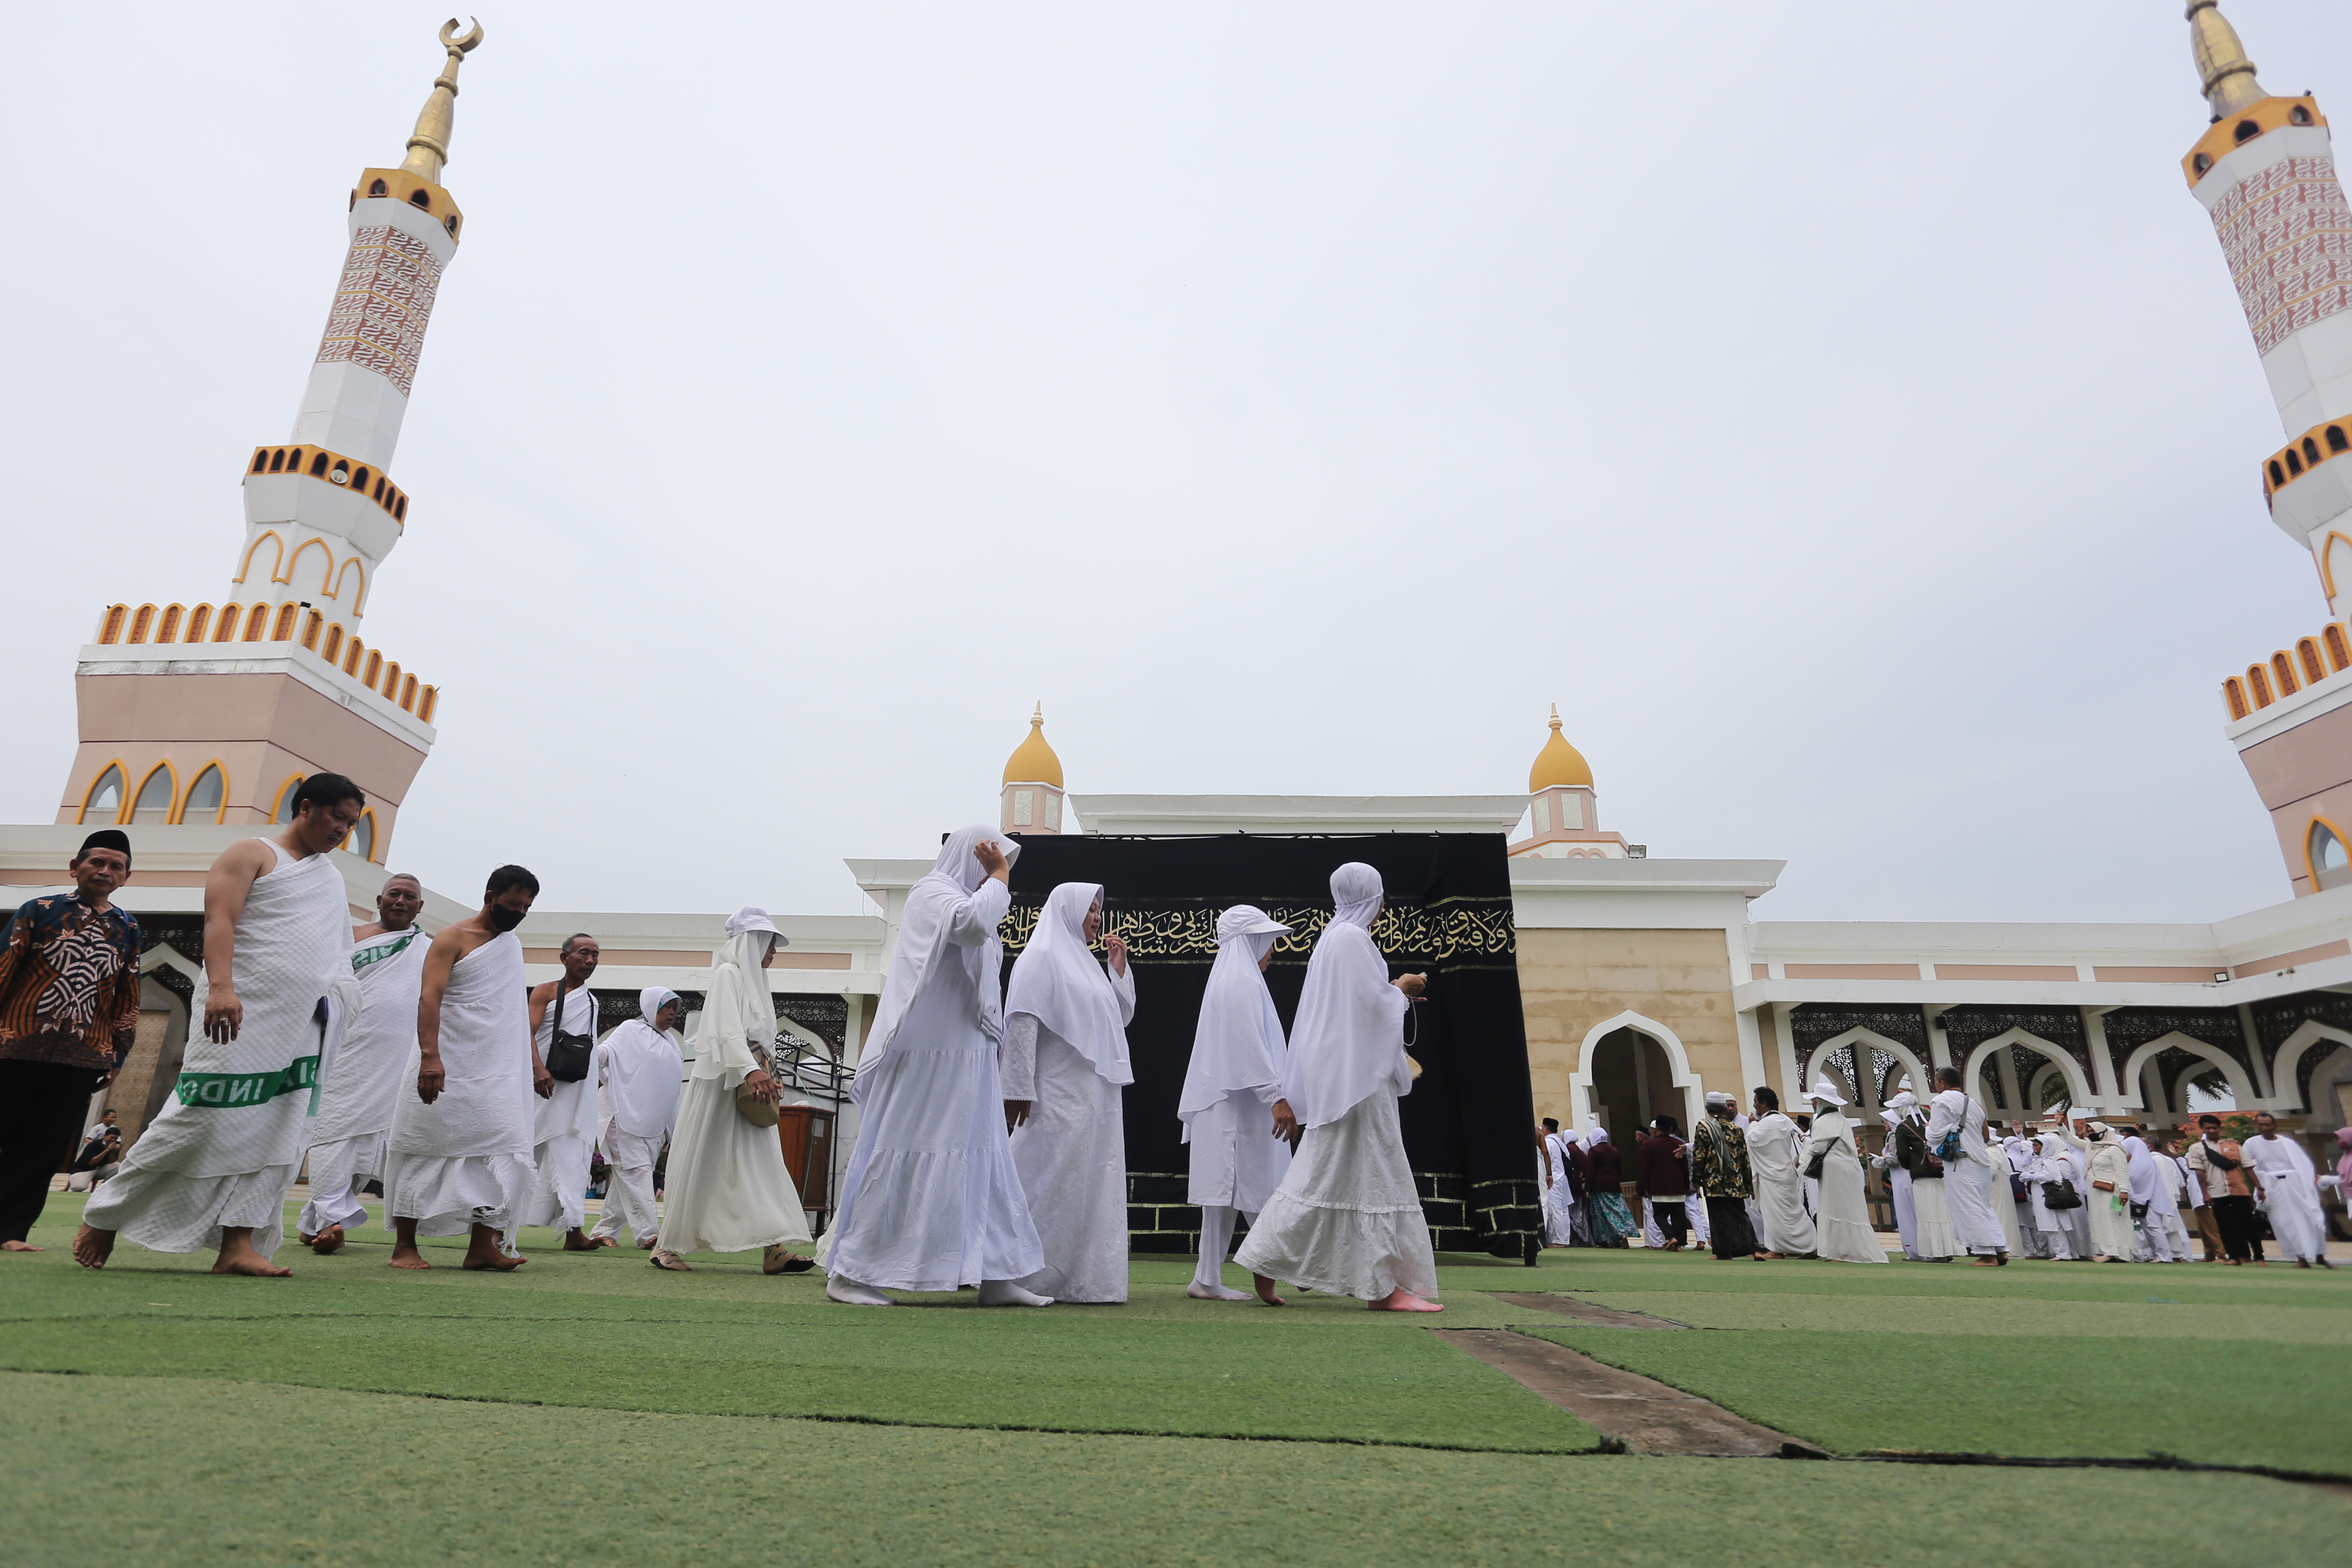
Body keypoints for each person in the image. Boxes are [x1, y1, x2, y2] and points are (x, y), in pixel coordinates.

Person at [76, 781, 366, 1275]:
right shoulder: (251, 853)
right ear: (306, 807)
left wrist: (337, 1001)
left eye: (352, 823)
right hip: (238, 1013)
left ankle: (239, 1243)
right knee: (198, 1114)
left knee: (279, 1130)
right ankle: (106, 1214)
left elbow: (339, 952)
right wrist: (222, 988)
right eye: (337, 817)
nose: (343, 829)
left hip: (303, 1023)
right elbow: (220, 921)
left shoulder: (330, 878)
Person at [824, 830, 1045, 1306]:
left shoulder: (974, 897)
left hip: (969, 1053)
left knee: (984, 1157)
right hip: (928, 1054)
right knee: (907, 1147)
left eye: (1003, 861)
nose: (998, 868)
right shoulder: (933, 893)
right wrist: (1000, 878)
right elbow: (969, 926)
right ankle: (850, 1271)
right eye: (991, 858)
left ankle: (995, 1273)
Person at [1234, 862, 1439, 1312]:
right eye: (1381, 894)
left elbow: (1350, 1007)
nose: (1385, 903)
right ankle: (1383, 1290)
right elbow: (1368, 1006)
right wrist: (1401, 990)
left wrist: (1391, 993)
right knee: (1377, 1177)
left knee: (1324, 1173)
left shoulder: (1334, 937)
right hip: (1359, 1086)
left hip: (1346, 1079)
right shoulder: (1352, 939)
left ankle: (1268, 1259)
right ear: (1372, 895)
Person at [384, 865, 547, 1272]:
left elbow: (509, 1014)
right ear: (490, 895)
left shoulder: (511, 945)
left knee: (495, 1152)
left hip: (494, 1072)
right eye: (513, 904)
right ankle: (405, 1247)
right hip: (446, 1062)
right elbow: (429, 998)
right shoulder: (452, 938)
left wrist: (527, 1067)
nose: (519, 912)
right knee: (426, 1147)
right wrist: (429, 1057)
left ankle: (482, 1247)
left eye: (526, 907)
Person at [0, 831, 141, 1253]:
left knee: (43, 1148)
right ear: (74, 867)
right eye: (97, 862)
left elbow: (128, 992)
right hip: (15, 1046)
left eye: (116, 866)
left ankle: (11, 1232)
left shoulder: (128, 926)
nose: (105, 871)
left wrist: (118, 1052)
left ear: (126, 876)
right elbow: (5, 967)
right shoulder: (39, 910)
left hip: (81, 1058)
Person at [654, 908, 813, 1275]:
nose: (773, 952)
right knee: (703, 1161)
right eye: (769, 944)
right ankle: (666, 1246)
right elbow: (727, 1031)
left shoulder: (755, 983)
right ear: (750, 943)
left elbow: (760, 1038)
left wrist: (767, 1074)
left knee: (765, 1162)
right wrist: (752, 1070)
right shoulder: (729, 974)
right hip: (722, 1088)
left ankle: (775, 1249)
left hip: (750, 1085)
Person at [1002, 882, 1136, 1304]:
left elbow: (1110, 1022)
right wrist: (1017, 1085)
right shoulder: (1041, 956)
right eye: (1090, 909)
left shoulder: (1083, 962)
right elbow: (1022, 1020)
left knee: (1084, 1185)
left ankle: (1079, 1279)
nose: (1097, 917)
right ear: (1067, 911)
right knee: (1042, 1178)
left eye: (1099, 909)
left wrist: (1117, 969)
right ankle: (1014, 1273)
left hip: (1092, 1099)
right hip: (1056, 1093)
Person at [298, 872, 427, 1252]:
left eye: (410, 897)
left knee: (368, 1141)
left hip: (395, 1059)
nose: (401, 901)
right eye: (394, 894)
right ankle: (331, 1218)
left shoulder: (426, 947)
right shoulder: (350, 936)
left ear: (420, 907)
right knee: (331, 1131)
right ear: (380, 899)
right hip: (344, 1048)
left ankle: (315, 1221)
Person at [1178, 906, 1293, 1299]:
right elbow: (1249, 1050)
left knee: (1225, 1194)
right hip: (1235, 1107)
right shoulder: (1241, 981)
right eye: (1267, 939)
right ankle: (1287, 1264)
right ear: (1250, 941)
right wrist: (1276, 1098)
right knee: (1253, 1188)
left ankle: (1208, 1277)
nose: (1272, 949)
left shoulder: (1232, 978)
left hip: (1228, 1104)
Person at [517, 933, 604, 1251]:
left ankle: (573, 1230)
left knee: (573, 1156)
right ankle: (497, 1226)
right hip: (543, 1087)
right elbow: (526, 1031)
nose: (590, 961)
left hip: (576, 1093)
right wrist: (538, 1069)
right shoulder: (545, 992)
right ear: (564, 957)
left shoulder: (592, 1001)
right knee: (524, 1150)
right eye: (584, 953)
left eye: (595, 955)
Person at [586, 988, 684, 1251]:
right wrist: (588, 1049)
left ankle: (604, 1232)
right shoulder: (629, 1030)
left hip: (653, 1125)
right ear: (651, 1007)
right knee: (636, 1173)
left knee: (628, 1177)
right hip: (621, 1116)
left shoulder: (671, 1042)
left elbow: (671, 1089)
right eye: (666, 1007)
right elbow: (606, 1053)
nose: (672, 1013)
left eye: (675, 1007)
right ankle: (650, 1234)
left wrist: (670, 1130)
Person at [1926, 1066, 2005, 1266]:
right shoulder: (1975, 1104)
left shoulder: (1941, 1101)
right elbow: (1986, 1136)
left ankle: (1987, 1255)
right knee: (1984, 1206)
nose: (1935, 1086)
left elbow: (1935, 1134)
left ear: (1942, 1083)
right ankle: (2000, 1250)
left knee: (1969, 1207)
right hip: (1981, 1162)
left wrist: (1929, 1131)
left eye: (1936, 1082)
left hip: (1963, 1162)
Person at [1802, 1078, 1886, 1263]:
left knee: (1836, 1207)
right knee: (1847, 1207)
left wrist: (1801, 1159)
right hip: (1847, 1168)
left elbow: (1817, 1148)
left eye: (1815, 1099)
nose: (1813, 1103)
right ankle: (1843, 1250)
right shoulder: (1841, 1120)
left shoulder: (1824, 1120)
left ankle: (1841, 1252)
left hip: (1835, 1169)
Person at [2242, 1111, 2333, 1268]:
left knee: (2309, 1219)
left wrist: (2309, 1186)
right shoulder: (2251, 1143)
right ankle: (2301, 1259)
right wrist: (2259, 1187)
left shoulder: (2288, 1143)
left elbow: (2305, 1166)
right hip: (2271, 1187)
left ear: (2275, 1126)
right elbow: (2246, 1166)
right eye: (2260, 1124)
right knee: (2284, 1223)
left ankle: (2320, 1256)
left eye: (2267, 1124)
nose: (2264, 1128)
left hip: (2296, 1186)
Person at [1692, 1091, 1764, 1260]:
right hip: (1735, 1181)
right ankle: (1753, 1250)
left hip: (1714, 1181)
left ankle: (1723, 1253)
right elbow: (1744, 1158)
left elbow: (1699, 1155)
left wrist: (1696, 1179)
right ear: (1725, 1108)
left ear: (1708, 1109)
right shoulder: (1736, 1129)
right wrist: (1748, 1184)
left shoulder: (1704, 1127)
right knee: (1740, 1215)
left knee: (1718, 1217)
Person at [1745, 1087, 1816, 1259]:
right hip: (1780, 1174)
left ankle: (1810, 1245)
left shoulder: (1770, 1122)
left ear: (1764, 1104)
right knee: (1778, 1213)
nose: (1754, 1105)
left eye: (1756, 1102)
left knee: (1786, 1213)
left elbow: (1752, 1139)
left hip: (1775, 1175)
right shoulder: (1782, 1120)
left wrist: (1753, 1122)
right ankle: (1778, 1248)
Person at [2185, 1115, 2260, 1264]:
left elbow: (2248, 1167)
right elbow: (2200, 1173)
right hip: (2216, 1191)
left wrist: (2259, 1187)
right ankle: (2233, 1257)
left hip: (2239, 1190)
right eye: (2208, 1128)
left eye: (2215, 1128)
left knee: (2247, 1224)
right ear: (2203, 1129)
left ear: (2220, 1128)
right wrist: (2205, 1193)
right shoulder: (2196, 1148)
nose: (2212, 1130)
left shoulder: (2233, 1146)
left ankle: (2257, 1257)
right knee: (2225, 1226)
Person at [1870, 1092, 1920, 1260]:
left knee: (1906, 1213)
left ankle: (1914, 1249)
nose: (1885, 1124)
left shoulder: (1894, 1135)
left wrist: (1878, 1161)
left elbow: (1894, 1159)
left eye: (1887, 1120)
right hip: (1907, 1176)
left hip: (1901, 1178)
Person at [2082, 1122, 2136, 1263]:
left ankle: (2118, 1253)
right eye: (2088, 1131)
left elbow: (2122, 1172)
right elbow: (2071, 1140)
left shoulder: (2114, 1149)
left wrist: (2124, 1191)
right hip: (2097, 1192)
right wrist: (2061, 1126)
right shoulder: (2092, 1147)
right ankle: (2106, 1251)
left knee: (2114, 1218)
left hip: (2115, 1192)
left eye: (2093, 1131)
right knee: (2100, 1219)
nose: (2090, 1134)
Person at [1633, 1115, 1689, 1249]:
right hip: (1677, 1186)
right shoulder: (1679, 1145)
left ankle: (1671, 1237)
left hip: (1659, 1187)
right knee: (1678, 1217)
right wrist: (1687, 1186)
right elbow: (1685, 1168)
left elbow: (1644, 1169)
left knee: (1659, 1216)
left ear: (1656, 1129)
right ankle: (1679, 1244)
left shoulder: (1650, 1145)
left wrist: (1640, 1189)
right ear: (1671, 1129)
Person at [2122, 1135, 2174, 1262]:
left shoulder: (2140, 1163)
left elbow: (2133, 1179)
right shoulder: (2141, 1161)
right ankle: (2156, 1254)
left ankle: (2164, 1256)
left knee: (2154, 1228)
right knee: (2148, 1229)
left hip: (2147, 1199)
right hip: (2143, 1199)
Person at [1583, 1128, 1635, 1246]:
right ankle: (1618, 1236)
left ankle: (1618, 1234)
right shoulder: (1614, 1151)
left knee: (1605, 1213)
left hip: (1600, 1185)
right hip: (1614, 1184)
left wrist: (1587, 1188)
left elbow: (1590, 1171)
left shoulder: (1594, 1151)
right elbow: (1619, 1169)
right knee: (1618, 1210)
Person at [1537, 1119, 1575, 1247]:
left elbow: (1545, 1160)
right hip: (1563, 1179)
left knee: (1555, 1211)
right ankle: (1565, 1240)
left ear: (1546, 1129)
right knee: (1564, 1210)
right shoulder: (1559, 1142)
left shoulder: (1548, 1142)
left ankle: (1557, 1241)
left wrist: (1547, 1176)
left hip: (1553, 1179)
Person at [65, 1126, 123, 1192]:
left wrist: (114, 1151)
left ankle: (103, 1188)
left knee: (118, 1166)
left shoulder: (115, 1146)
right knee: (79, 1188)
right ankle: (75, 1180)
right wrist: (107, 1150)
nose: (113, 1140)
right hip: (83, 1170)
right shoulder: (94, 1145)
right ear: (105, 1136)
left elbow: (111, 1161)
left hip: (98, 1171)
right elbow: (91, 1162)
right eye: (112, 1137)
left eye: (116, 1138)